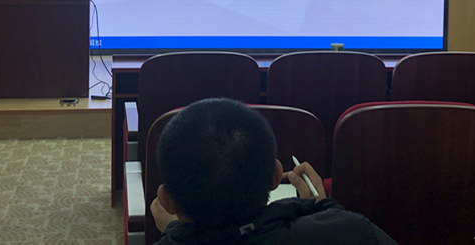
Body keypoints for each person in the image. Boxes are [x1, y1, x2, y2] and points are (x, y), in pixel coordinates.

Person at [150, 98, 399, 244]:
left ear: (167, 200)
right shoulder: (354, 232)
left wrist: (176, 233)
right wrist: (323, 207)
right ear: (276, 175)